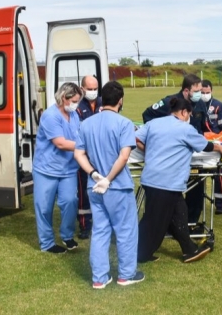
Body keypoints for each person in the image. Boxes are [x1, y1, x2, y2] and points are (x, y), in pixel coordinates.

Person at [136, 97, 222, 263]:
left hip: (153, 178)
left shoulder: (154, 123)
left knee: (179, 213)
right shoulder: (186, 129)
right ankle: (138, 254)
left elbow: (137, 139)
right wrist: (219, 147)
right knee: (154, 221)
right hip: (166, 182)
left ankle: (189, 250)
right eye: (189, 114)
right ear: (184, 112)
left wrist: (150, 151)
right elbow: (205, 146)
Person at [74, 81, 144, 288]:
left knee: (100, 231)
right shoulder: (124, 124)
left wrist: (94, 174)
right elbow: (123, 157)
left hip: (94, 187)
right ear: (120, 100)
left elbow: (79, 153)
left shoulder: (86, 124)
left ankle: (99, 278)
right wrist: (108, 179)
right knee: (126, 230)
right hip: (118, 187)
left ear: (102, 99)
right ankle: (126, 274)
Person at [142, 74, 208, 226]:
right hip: (171, 156)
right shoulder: (169, 102)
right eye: (196, 90)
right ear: (186, 91)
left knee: (197, 188)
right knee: (169, 193)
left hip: (193, 155)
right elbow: (147, 115)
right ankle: (166, 223)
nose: (199, 93)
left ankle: (191, 223)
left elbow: (201, 129)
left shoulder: (200, 105)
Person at [33, 82, 83, 254]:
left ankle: (67, 235)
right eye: (75, 100)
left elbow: (80, 133)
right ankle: (47, 243)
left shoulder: (74, 115)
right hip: (46, 169)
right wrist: (85, 146)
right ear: (64, 98)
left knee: (70, 201)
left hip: (68, 169)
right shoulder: (50, 116)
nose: (77, 104)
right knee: (44, 207)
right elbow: (60, 143)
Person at [75, 75, 103, 240]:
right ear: (82, 88)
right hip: (84, 156)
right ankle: (85, 225)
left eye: (95, 89)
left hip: (101, 154)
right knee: (84, 192)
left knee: (102, 189)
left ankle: (102, 223)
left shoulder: (103, 104)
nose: (92, 92)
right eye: (89, 89)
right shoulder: (78, 107)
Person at [201, 79, 222, 215]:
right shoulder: (193, 105)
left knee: (219, 175)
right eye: (202, 92)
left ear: (211, 91)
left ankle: (220, 203)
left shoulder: (219, 106)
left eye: (207, 92)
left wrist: (214, 136)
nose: (205, 94)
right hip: (200, 144)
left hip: (217, 145)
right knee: (197, 175)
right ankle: (197, 201)